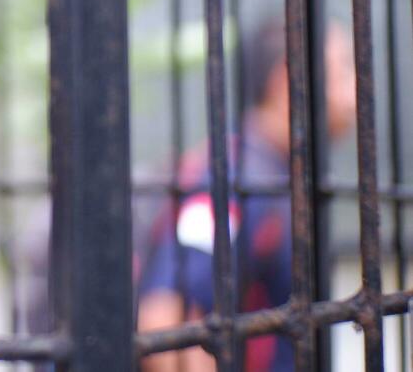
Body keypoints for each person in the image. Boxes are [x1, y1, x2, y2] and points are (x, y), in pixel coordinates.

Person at [135, 18, 357, 371]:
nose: (356, 91)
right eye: (344, 71)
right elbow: (164, 320)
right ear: (289, 81)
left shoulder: (274, 172)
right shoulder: (238, 176)